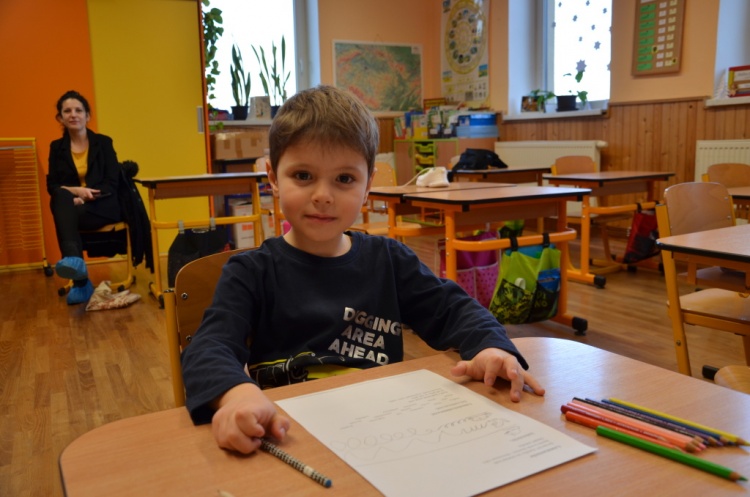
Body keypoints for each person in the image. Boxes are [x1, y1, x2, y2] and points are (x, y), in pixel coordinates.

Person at [181, 85, 545, 454]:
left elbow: (454, 309)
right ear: (273, 177)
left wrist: (490, 347)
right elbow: (210, 347)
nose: (323, 195)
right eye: (303, 175)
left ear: (367, 185)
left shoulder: (389, 260)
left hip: (384, 435)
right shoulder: (250, 272)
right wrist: (236, 396)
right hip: (290, 436)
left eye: (344, 179)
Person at [46, 90, 122, 305]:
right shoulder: (56, 147)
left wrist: (84, 197)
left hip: (102, 205)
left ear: (87, 116)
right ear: (60, 118)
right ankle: (77, 266)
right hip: (72, 207)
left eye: (78, 110)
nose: (73, 115)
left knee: (63, 209)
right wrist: (77, 192)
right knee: (60, 196)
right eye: (67, 111)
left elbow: (112, 183)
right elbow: (52, 186)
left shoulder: (103, 143)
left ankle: (80, 281)